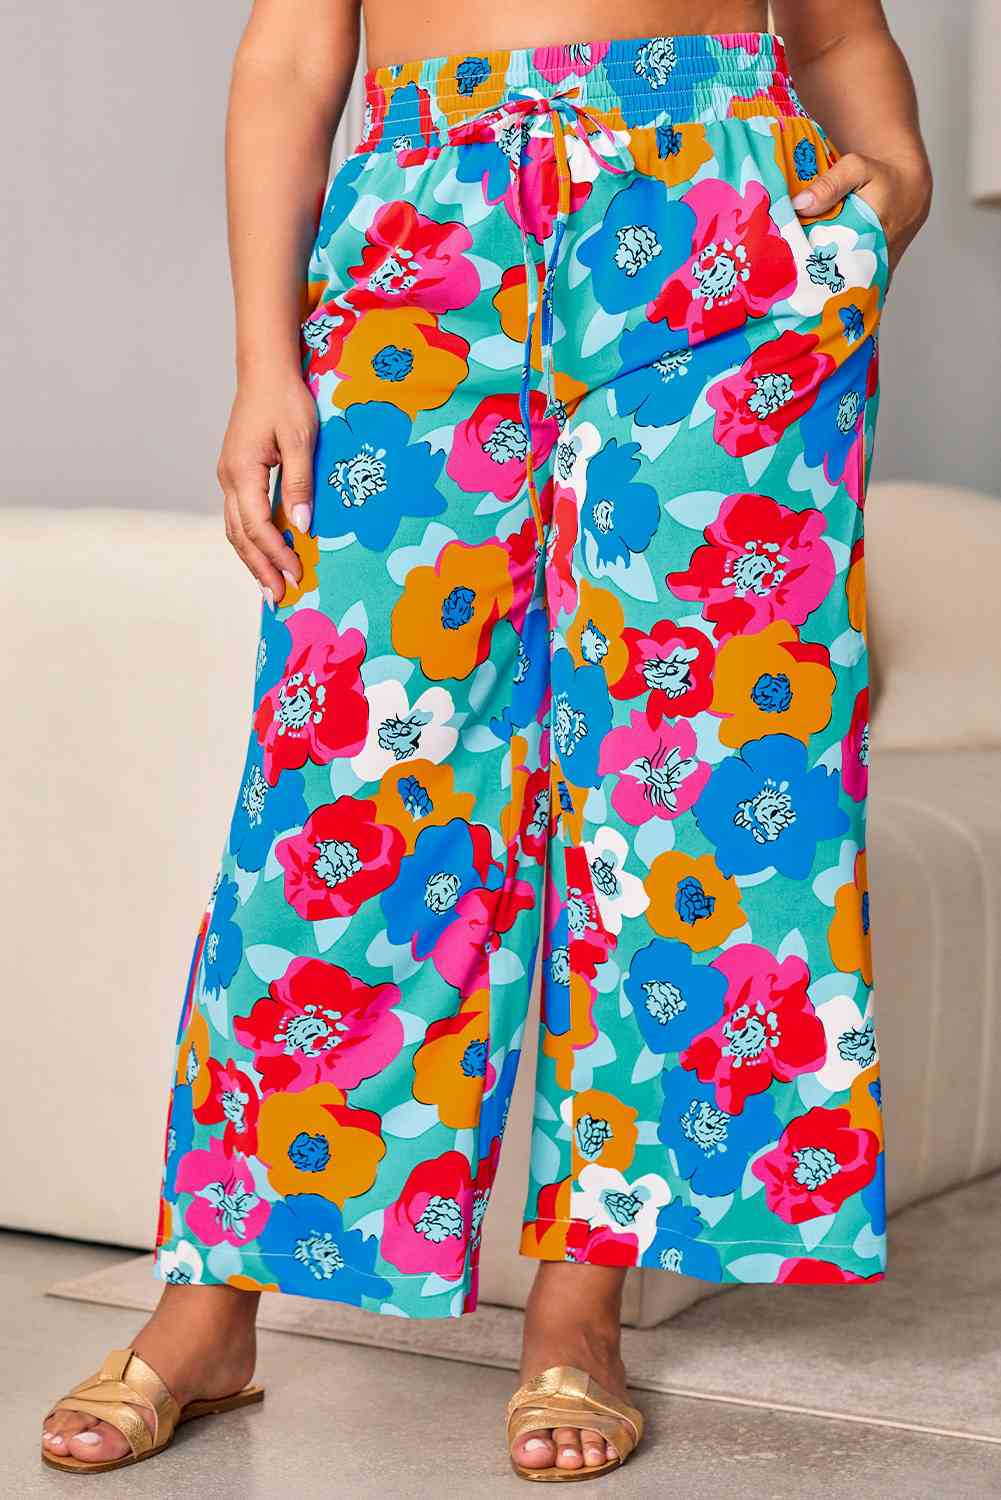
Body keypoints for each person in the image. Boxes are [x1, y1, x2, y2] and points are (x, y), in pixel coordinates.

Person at [41, 0, 931, 1482]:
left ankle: (580, 1305)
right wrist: (265, 360)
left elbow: (838, 33)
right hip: (425, 231)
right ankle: (213, 1302)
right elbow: (293, 54)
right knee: (349, 783)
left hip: (719, 222)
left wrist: (891, 172)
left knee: (693, 776)